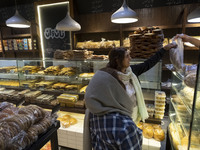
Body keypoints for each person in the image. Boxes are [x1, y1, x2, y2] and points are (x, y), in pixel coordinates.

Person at [83, 43, 177, 150]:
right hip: (116, 119)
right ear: (118, 60)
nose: (130, 58)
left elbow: (149, 63)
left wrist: (164, 50)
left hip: (131, 114)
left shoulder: (131, 72)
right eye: (127, 56)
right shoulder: (108, 78)